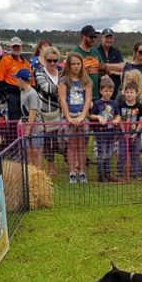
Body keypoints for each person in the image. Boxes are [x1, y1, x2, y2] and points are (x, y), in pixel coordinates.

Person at [58, 52, 92, 184]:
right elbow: (62, 100)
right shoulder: (63, 81)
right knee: (71, 145)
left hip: (82, 116)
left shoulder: (86, 81)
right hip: (69, 116)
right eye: (73, 64)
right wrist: (68, 118)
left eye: (78, 64)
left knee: (82, 145)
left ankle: (82, 172)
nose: (76, 66)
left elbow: (88, 100)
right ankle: (72, 172)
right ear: (69, 65)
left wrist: (83, 116)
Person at [0, 36, 29, 142]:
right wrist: (4, 96)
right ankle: (13, 143)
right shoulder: (6, 61)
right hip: (11, 94)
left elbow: (30, 80)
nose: (16, 49)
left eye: (18, 46)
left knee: (25, 118)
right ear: (11, 47)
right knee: (14, 120)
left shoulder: (25, 63)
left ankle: (24, 141)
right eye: (14, 47)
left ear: (21, 47)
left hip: (24, 93)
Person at [34, 45, 63, 175]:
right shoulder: (40, 72)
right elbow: (46, 88)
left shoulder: (61, 72)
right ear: (44, 59)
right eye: (49, 60)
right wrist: (62, 88)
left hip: (62, 110)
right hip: (46, 112)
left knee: (61, 139)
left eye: (55, 60)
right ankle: (51, 166)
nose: (52, 63)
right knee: (48, 140)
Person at [90, 76, 119, 181]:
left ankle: (108, 174)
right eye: (106, 91)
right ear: (101, 91)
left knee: (109, 153)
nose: (108, 93)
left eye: (110, 91)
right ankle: (101, 175)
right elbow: (91, 115)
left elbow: (118, 114)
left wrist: (117, 119)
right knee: (102, 153)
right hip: (101, 133)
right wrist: (98, 117)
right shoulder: (97, 103)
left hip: (111, 132)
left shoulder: (114, 103)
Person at [116, 81, 142, 180]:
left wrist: (136, 133)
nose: (129, 94)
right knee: (122, 153)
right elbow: (119, 119)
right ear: (124, 93)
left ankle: (136, 173)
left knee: (135, 153)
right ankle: (120, 172)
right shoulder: (121, 105)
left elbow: (141, 121)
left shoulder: (139, 106)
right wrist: (124, 132)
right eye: (127, 92)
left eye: (131, 92)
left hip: (135, 135)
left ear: (136, 93)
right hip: (123, 134)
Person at [15, 68, 43, 168]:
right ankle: (30, 171)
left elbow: (33, 112)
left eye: (17, 79)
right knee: (28, 151)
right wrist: (21, 120)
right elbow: (24, 110)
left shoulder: (32, 93)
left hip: (35, 126)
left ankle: (38, 172)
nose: (16, 81)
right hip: (27, 124)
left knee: (36, 151)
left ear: (21, 80)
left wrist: (28, 129)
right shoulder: (22, 92)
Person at [72, 25, 105, 100]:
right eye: (91, 37)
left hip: (96, 94)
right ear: (83, 36)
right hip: (81, 94)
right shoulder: (75, 52)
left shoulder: (95, 52)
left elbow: (101, 67)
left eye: (95, 37)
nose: (93, 39)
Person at [98, 28, 125, 93]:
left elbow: (121, 67)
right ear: (102, 38)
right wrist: (114, 69)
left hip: (115, 89)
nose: (109, 40)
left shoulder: (117, 52)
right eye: (107, 38)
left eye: (111, 38)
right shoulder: (96, 51)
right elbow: (97, 67)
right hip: (100, 90)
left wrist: (105, 66)